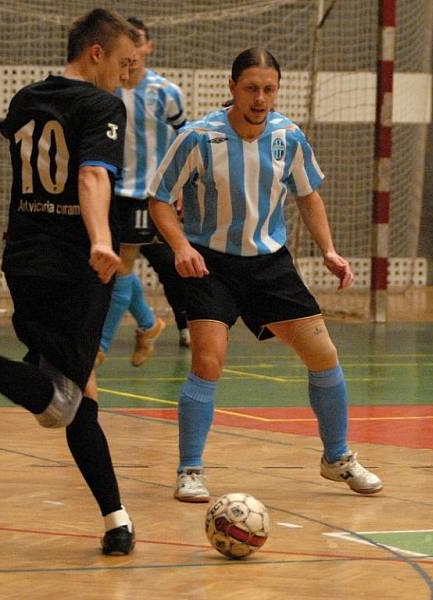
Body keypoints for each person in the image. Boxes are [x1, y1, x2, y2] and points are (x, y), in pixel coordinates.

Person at [0, 8, 138, 555]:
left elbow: (33, 171)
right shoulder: (101, 104)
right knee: (63, 402)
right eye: (120, 63)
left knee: (80, 394)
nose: (123, 75)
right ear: (95, 53)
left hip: (23, 256)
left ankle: (117, 523)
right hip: (74, 265)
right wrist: (100, 239)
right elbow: (90, 174)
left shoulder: (25, 99)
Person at [148, 48, 384, 502]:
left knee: (324, 354)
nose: (260, 98)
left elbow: (308, 195)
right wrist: (180, 247)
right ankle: (190, 470)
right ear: (232, 87)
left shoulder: (288, 136)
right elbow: (159, 198)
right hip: (209, 261)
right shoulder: (199, 137)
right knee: (207, 360)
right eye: (252, 88)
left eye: (269, 89)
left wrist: (329, 251)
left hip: (269, 263)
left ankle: (336, 458)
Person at [95, 17, 189, 369]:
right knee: (114, 267)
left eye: (138, 42)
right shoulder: (105, 90)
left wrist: (181, 187)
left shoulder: (166, 93)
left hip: (143, 192)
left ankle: (100, 346)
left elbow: (185, 140)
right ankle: (148, 325)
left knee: (121, 267)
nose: (132, 51)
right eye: (126, 43)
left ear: (148, 47)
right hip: (108, 189)